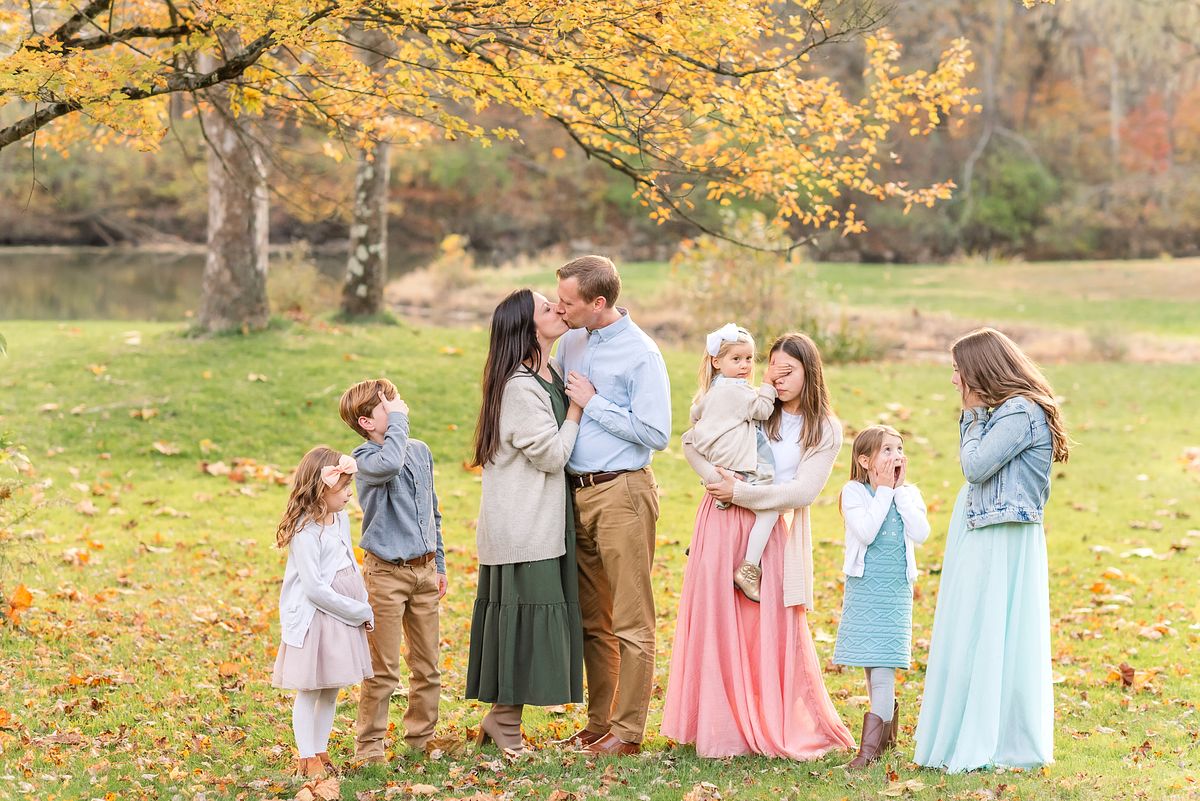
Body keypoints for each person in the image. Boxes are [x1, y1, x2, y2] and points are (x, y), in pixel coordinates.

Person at [663, 332, 855, 759]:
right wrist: (714, 479)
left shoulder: (823, 429)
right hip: (720, 521)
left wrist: (741, 493)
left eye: (788, 372)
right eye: (773, 369)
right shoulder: (752, 405)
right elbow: (697, 437)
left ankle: (768, 719)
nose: (777, 378)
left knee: (760, 628)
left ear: (810, 373)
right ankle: (719, 725)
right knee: (717, 623)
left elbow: (802, 492)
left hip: (765, 538)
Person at [914, 327, 1069, 773]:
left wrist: (973, 416)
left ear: (981, 372)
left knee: (989, 626)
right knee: (974, 626)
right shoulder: (1006, 410)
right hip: (984, 527)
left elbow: (976, 466)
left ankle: (991, 737)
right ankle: (969, 727)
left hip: (1001, 534)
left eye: (958, 372)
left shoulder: (1018, 412)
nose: (954, 382)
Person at [554, 255, 672, 756]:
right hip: (575, 493)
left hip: (623, 493)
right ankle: (599, 722)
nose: (560, 309)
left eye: (568, 302)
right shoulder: (570, 342)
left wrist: (595, 400)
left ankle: (627, 733)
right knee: (593, 619)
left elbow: (656, 433)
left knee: (630, 618)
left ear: (598, 303)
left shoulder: (641, 354)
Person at [465, 289, 585, 755]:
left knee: (529, 626)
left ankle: (500, 720)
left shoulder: (548, 373)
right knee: (524, 627)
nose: (557, 307)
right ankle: (505, 725)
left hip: (541, 522)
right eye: (545, 306)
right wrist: (578, 408)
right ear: (527, 327)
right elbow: (553, 455)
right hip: (522, 528)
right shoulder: (519, 387)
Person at [339, 379, 448, 763]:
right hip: (385, 576)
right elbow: (390, 463)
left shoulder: (420, 451)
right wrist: (399, 421)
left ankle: (420, 739)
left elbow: (432, 511)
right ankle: (369, 748)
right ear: (367, 422)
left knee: (428, 666)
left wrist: (439, 563)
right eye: (389, 406)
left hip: (422, 573)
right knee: (383, 670)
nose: (400, 408)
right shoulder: (363, 458)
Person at [272, 446, 374, 780]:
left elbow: (347, 560)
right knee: (311, 687)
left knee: (332, 687)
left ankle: (319, 748)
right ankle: (305, 756)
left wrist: (361, 601)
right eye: (343, 487)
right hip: (318, 615)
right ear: (321, 488)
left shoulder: (339, 518)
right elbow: (315, 589)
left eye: (349, 486)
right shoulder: (305, 530)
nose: (349, 494)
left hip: (341, 616)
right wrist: (356, 609)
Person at [833, 425, 930, 768]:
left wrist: (898, 493)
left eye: (899, 449)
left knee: (884, 666)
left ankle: (868, 754)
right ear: (865, 460)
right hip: (865, 588)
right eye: (887, 450)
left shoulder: (909, 494)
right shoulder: (854, 492)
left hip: (894, 591)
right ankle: (885, 741)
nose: (896, 456)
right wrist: (885, 492)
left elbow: (920, 533)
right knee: (872, 665)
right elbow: (867, 531)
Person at [682, 322, 778, 602]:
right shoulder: (739, 391)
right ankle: (748, 569)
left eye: (749, 359)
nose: (745, 365)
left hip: (721, 462)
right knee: (770, 511)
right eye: (736, 359)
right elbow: (762, 410)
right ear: (717, 361)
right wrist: (768, 386)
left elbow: (694, 413)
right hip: (740, 466)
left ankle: (703, 546)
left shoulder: (712, 390)